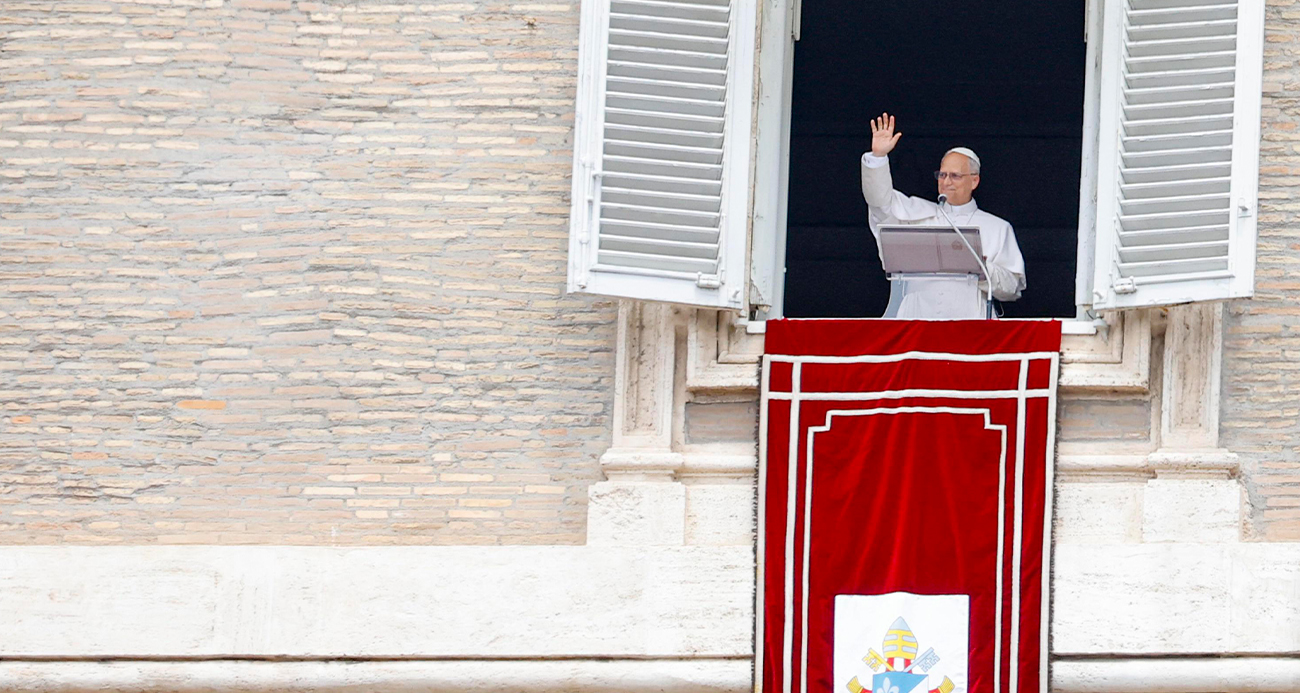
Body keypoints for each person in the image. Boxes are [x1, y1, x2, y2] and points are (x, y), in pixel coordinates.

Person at [861, 113, 1026, 319]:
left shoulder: (998, 227)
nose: (946, 182)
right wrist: (878, 158)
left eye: (955, 176)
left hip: (969, 324)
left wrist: (983, 269)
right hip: (916, 321)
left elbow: (1013, 288)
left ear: (974, 181)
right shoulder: (916, 214)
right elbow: (880, 203)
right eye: (942, 175)